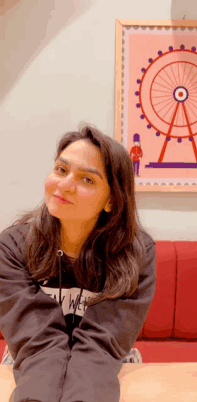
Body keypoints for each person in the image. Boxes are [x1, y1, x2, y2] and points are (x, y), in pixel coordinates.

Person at [0, 123, 156, 402]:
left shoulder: (136, 254)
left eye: (87, 180)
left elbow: (101, 344)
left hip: (103, 363)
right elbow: (38, 343)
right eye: (61, 170)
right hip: (32, 361)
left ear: (111, 200)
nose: (65, 185)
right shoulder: (12, 247)